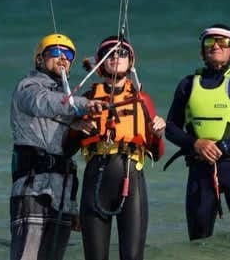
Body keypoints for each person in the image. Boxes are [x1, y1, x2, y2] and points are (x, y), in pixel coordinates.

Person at [164, 24, 230, 240]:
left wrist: (224, 146)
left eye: (224, 42)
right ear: (202, 51)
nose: (216, 46)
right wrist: (196, 144)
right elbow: (171, 128)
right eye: (210, 42)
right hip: (200, 169)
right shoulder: (187, 84)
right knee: (198, 242)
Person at [67, 36, 165, 260]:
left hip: (132, 181)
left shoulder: (142, 99)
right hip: (96, 180)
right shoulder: (88, 99)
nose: (116, 57)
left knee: (131, 257)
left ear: (131, 62)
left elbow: (157, 154)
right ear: (100, 63)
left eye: (122, 53)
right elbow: (66, 149)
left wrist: (157, 134)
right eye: (109, 53)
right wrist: (76, 128)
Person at [10, 33, 103, 260]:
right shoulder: (29, 87)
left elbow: (67, 152)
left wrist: (72, 206)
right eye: (54, 52)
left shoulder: (66, 101)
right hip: (33, 190)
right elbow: (43, 103)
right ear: (39, 60)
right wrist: (84, 104)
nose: (62, 58)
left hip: (61, 194)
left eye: (68, 54)